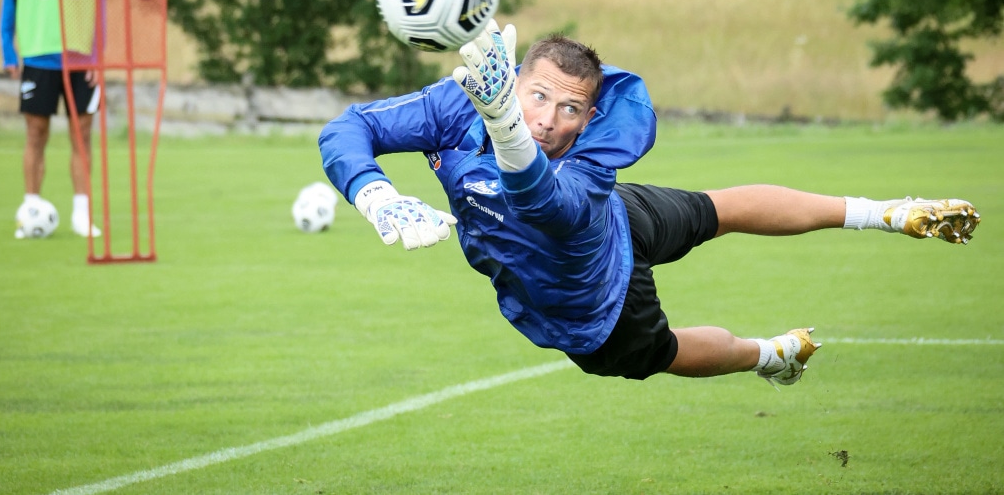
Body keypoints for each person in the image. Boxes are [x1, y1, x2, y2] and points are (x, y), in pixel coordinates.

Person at [318, 19, 980, 386]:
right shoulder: (457, 101)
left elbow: (543, 203)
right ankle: (885, 211)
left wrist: (504, 121)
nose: (549, 118)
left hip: (592, 297)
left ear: (589, 118)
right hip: (621, 223)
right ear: (511, 78)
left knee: (660, 353)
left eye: (570, 108)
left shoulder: (582, 162)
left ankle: (769, 354)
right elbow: (348, 126)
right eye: (537, 96)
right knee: (717, 207)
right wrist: (373, 192)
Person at [0, 0, 100, 238]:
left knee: (82, 135)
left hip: (80, 58)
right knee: (36, 133)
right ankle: (31, 210)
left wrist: (98, 57)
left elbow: (101, 7)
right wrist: (8, 49)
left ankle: (81, 215)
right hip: (39, 57)